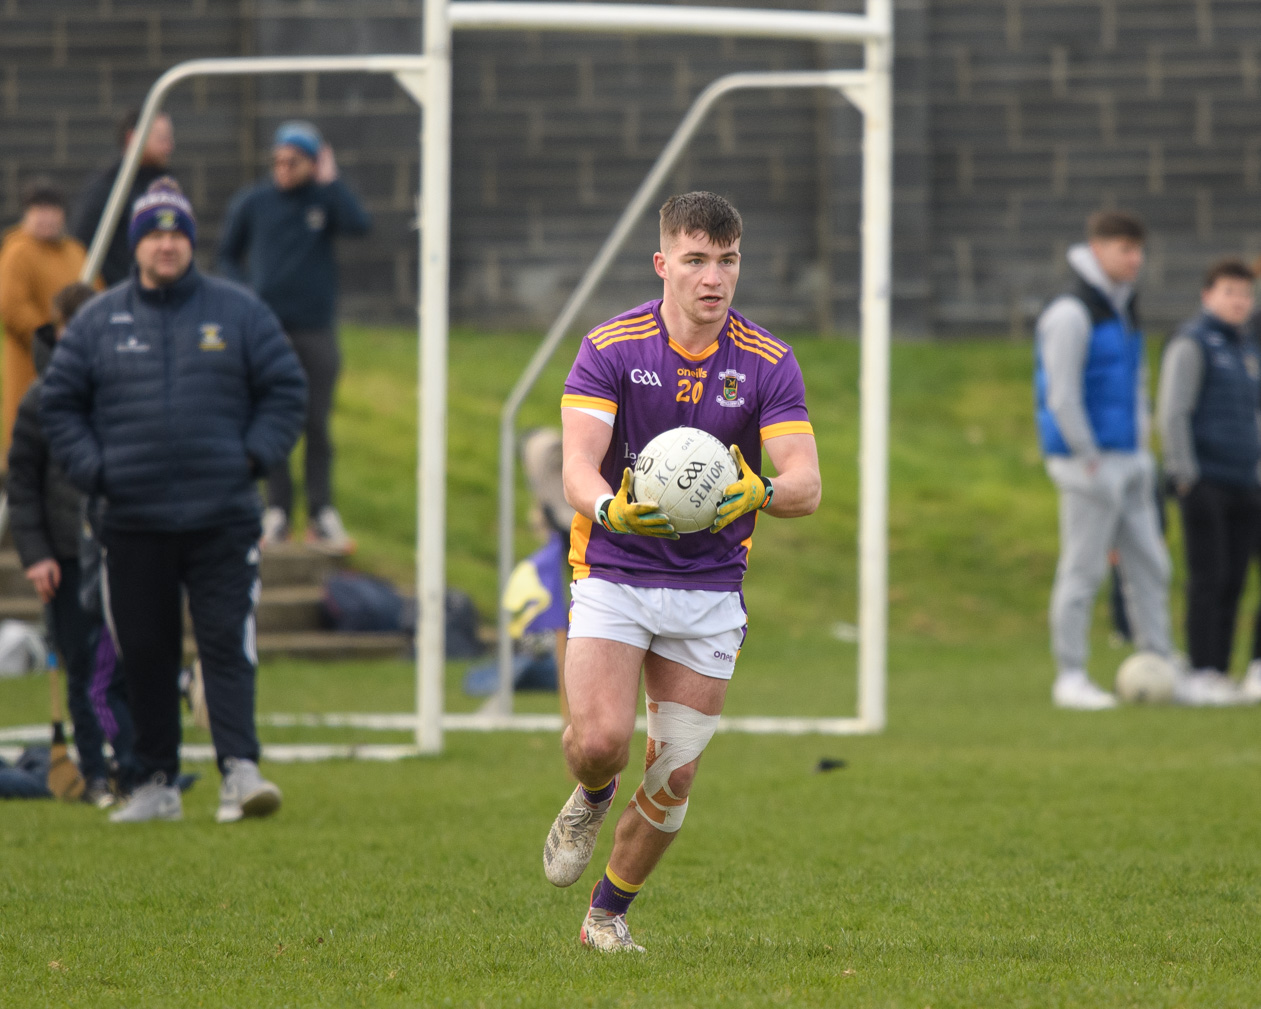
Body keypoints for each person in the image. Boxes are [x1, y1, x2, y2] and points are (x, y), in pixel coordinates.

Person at [543, 191, 821, 952]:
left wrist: (761, 489)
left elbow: (806, 482)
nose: (712, 277)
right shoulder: (610, 347)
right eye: (695, 260)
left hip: (707, 588)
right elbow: (575, 465)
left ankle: (605, 914)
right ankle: (592, 792)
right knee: (600, 740)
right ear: (663, 263)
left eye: (726, 260)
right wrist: (609, 510)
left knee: (674, 778)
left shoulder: (767, 360)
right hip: (614, 565)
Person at [40, 178, 308, 823]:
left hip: (223, 521)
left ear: (191, 241)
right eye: (154, 234)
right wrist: (96, 470)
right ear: (136, 246)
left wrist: (250, 457)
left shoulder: (239, 312)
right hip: (129, 523)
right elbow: (60, 405)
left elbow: (285, 389)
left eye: (177, 234)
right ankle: (154, 782)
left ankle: (239, 773)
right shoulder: (99, 322)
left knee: (226, 645)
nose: (166, 245)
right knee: (145, 652)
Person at [1033, 210, 1174, 709]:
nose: (1134, 259)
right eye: (1124, 249)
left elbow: (1135, 380)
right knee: (1083, 569)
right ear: (1097, 249)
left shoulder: (1125, 305)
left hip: (1130, 457)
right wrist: (1088, 456)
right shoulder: (1071, 312)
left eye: (1138, 249)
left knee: (1152, 566)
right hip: (1087, 463)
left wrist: (1142, 445)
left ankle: (1161, 663)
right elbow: (1062, 395)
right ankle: (1069, 675)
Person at [7, 281, 135, 807]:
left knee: (127, 665)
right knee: (81, 669)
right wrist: (35, 555)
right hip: (62, 555)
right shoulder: (42, 399)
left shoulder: (129, 386)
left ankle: (137, 766)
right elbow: (21, 483)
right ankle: (94, 775)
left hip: (124, 549)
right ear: (60, 331)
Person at [217, 120, 371, 555]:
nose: (283, 169)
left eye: (294, 161)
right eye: (278, 160)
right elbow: (227, 252)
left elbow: (360, 224)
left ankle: (321, 512)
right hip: (269, 331)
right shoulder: (254, 201)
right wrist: (246, 291)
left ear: (312, 161)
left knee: (316, 423)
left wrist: (331, 180)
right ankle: (278, 509)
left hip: (316, 330)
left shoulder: (324, 200)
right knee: (274, 418)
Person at [1158, 258, 1260, 705]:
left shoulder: (1247, 350)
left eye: (1245, 294)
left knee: (1236, 577)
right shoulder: (1192, 343)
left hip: (1244, 480)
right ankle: (1202, 670)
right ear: (1207, 295)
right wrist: (1184, 474)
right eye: (1229, 292)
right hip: (1204, 480)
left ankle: (1222, 672)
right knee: (1208, 577)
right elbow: (1173, 411)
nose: (1238, 302)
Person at [0, 180, 91, 459]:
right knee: (29, 437)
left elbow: (95, 295)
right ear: (27, 213)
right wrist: (49, 340)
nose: (46, 216)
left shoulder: (75, 252)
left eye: (53, 209)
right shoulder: (18, 251)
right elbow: (11, 306)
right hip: (31, 363)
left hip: (79, 360)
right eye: (39, 209)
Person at [70, 109, 175, 287]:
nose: (169, 147)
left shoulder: (166, 183)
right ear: (133, 138)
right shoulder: (108, 187)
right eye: (162, 138)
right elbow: (82, 243)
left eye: (169, 138)